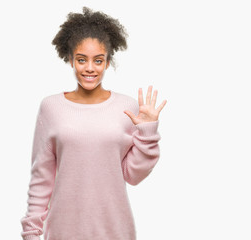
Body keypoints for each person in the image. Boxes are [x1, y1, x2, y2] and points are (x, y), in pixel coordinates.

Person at [20, 6, 167, 240]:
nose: (90, 68)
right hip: (63, 231)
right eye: (81, 59)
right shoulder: (51, 108)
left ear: (107, 62)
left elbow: (133, 175)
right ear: (70, 59)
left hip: (115, 229)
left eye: (98, 60)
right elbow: (41, 177)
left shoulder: (127, 108)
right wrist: (31, 233)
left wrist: (148, 132)